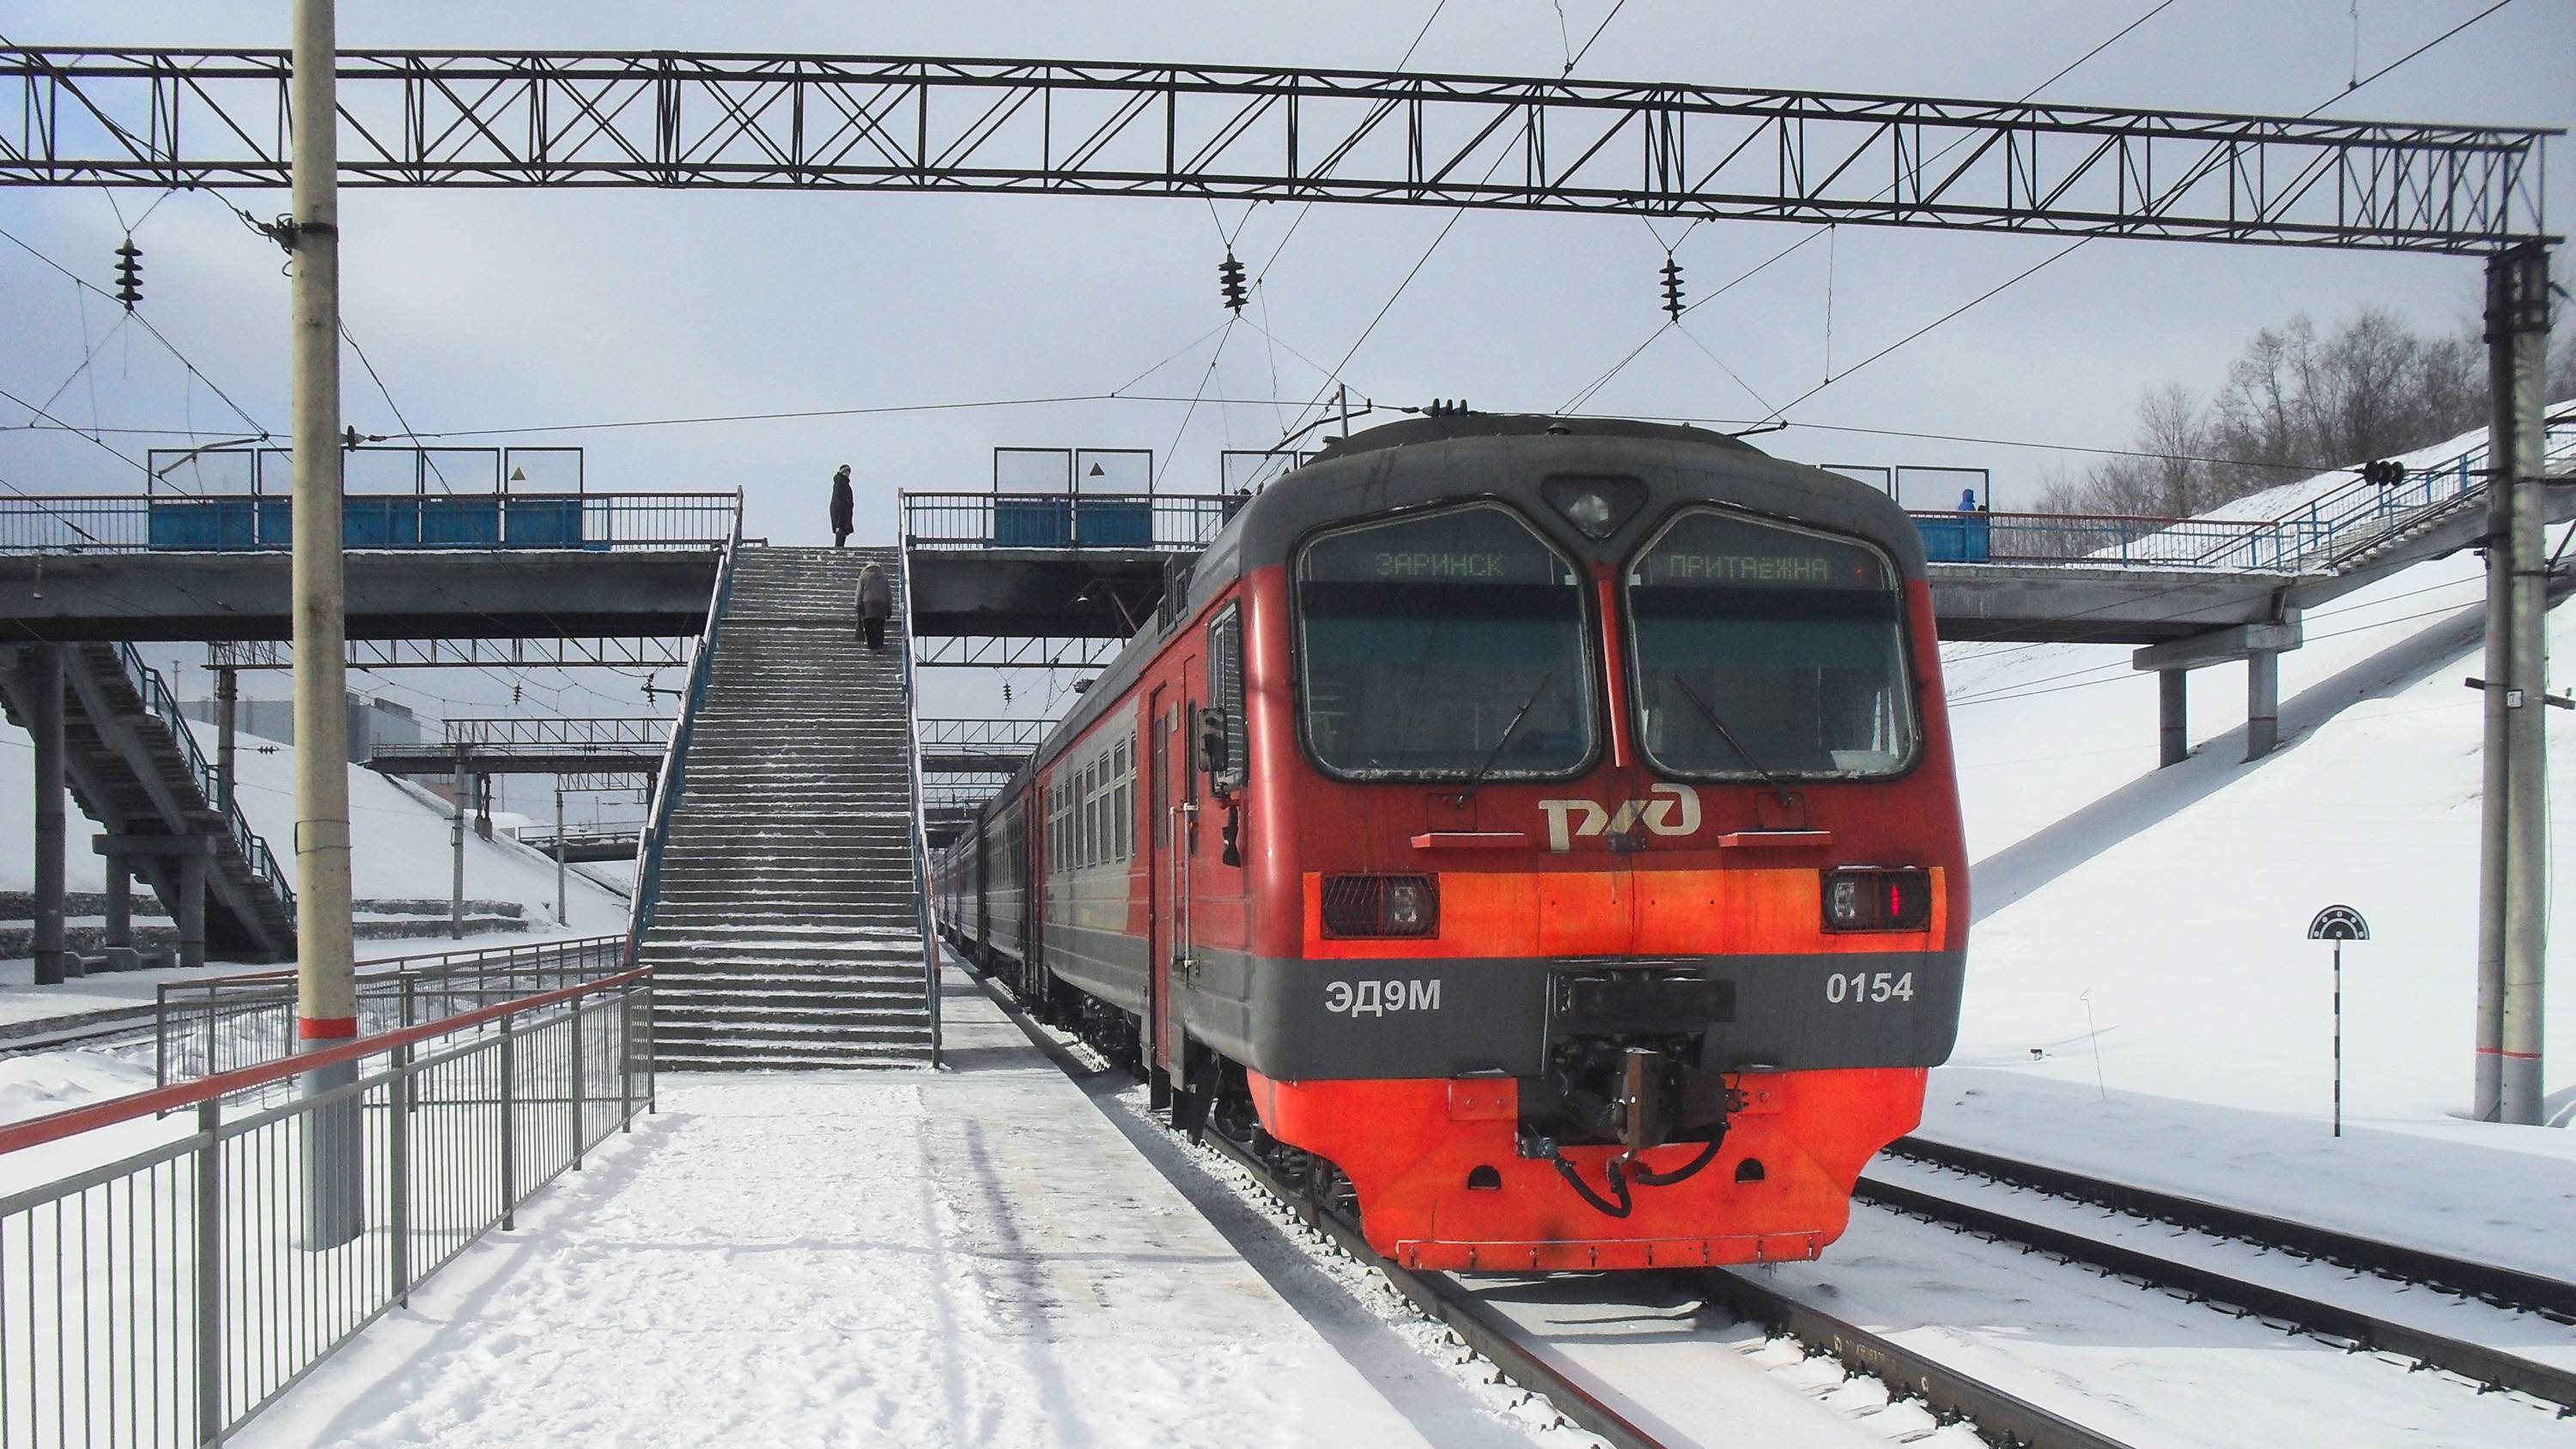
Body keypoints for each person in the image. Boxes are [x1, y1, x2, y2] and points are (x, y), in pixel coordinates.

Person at [856, 560, 892, 652]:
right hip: (881, 604)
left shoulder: (863, 576)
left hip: (867, 604)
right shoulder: (884, 578)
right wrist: (889, 608)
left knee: (869, 624)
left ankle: (871, 644)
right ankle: (879, 644)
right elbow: (888, 594)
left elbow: (859, 592)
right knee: (880, 625)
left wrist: (858, 604)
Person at [829, 464, 854, 549]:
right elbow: (839, 500)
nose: (848, 473)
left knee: (843, 532)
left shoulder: (844, 482)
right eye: (846, 471)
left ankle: (840, 548)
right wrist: (838, 523)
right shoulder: (840, 482)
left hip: (844, 511)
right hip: (840, 511)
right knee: (840, 531)